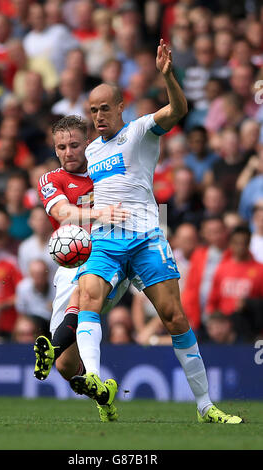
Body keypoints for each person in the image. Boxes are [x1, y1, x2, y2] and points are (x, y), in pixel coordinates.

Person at [70, 40, 243, 424]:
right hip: (107, 238)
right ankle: (96, 381)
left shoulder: (141, 130)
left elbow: (179, 110)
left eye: (104, 108)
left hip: (147, 236)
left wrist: (168, 75)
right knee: (89, 298)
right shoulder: (92, 151)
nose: (98, 116)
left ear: (120, 106)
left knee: (174, 318)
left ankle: (204, 407)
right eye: (92, 110)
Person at [33, 115, 129, 422]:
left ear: (87, 143)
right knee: (64, 366)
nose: (68, 152)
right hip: (68, 264)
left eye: (74, 144)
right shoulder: (51, 179)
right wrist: (101, 212)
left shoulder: (106, 174)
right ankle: (102, 393)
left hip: (108, 256)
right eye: (61, 146)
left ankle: (53, 344)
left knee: (84, 288)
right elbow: (62, 213)